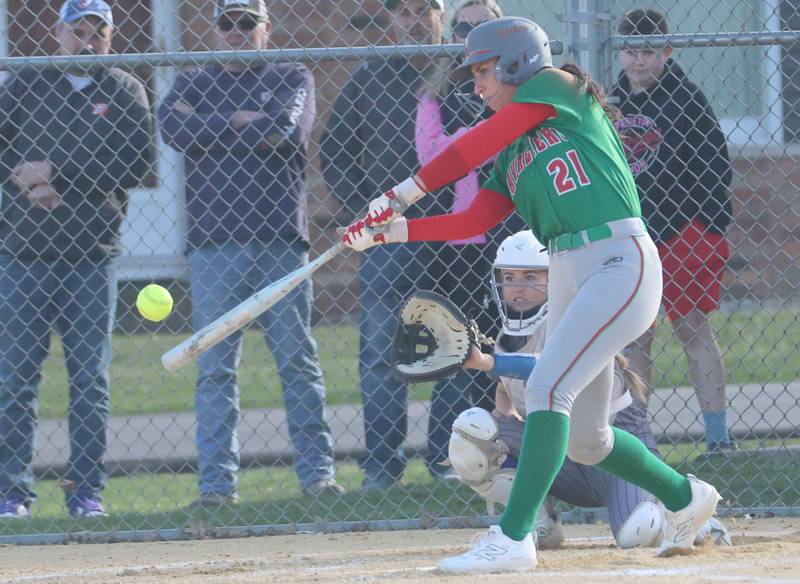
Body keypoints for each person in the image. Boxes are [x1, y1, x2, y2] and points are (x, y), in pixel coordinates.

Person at [341, 16, 722, 573]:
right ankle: (688, 500)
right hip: (568, 264)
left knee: (545, 389)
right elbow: (472, 217)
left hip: (617, 258)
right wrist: (391, 230)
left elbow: (472, 146)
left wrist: (401, 193)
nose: (476, 86)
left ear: (518, 61)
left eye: (484, 72)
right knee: (588, 440)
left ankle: (513, 538)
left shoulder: (557, 87)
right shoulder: (513, 151)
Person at [159, 0, 341, 503]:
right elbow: (172, 129)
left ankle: (317, 477)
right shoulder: (194, 79)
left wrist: (214, 126)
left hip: (280, 241)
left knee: (296, 359)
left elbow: (285, 130)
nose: (236, 31)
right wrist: (241, 119)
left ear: (266, 27)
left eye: (247, 22)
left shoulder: (291, 73)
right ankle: (217, 487)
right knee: (216, 368)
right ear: (214, 29)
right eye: (227, 23)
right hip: (213, 245)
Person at [447, 229, 731, 550]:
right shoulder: (505, 339)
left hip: (615, 461)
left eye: (532, 277)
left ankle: (689, 509)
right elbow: (507, 395)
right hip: (565, 460)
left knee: (637, 533)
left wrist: (487, 362)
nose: (518, 288)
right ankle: (538, 524)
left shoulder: (579, 321)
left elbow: (548, 365)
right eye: (510, 278)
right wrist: (503, 436)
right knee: (473, 434)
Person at [0, 0, 153, 518]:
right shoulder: (25, 83)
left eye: (98, 34)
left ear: (111, 37)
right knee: (16, 377)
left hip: (92, 256)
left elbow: (135, 161)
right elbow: (2, 155)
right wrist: (23, 189)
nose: (87, 42)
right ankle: (11, 491)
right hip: (24, 257)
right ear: (57, 31)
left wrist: (56, 172)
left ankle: (84, 491)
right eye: (78, 32)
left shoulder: (125, 89)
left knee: (89, 379)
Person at [320, 0, 457, 491]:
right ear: (391, 20)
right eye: (404, 12)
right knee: (380, 353)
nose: (415, 20)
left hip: (455, 235)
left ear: (442, 16)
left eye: (426, 10)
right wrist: (366, 209)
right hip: (388, 238)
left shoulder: (462, 70)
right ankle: (382, 467)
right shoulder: (370, 75)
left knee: (459, 349)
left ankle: (448, 459)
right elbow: (335, 150)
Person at [611, 9, 734, 454]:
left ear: (666, 51)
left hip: (684, 232)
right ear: (619, 52)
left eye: (648, 51)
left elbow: (714, 167)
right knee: (636, 336)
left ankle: (718, 439)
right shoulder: (613, 101)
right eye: (630, 51)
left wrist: (700, 222)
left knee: (691, 327)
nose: (639, 61)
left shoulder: (685, 97)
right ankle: (641, 439)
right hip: (635, 236)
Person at [414, 0, 512, 474]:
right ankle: (443, 457)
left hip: (509, 234)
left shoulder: (515, 88)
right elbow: (431, 155)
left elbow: (510, 137)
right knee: (457, 347)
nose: (472, 36)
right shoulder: (437, 89)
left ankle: (502, 446)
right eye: (464, 28)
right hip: (459, 245)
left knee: (507, 345)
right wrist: (479, 136)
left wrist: (473, 138)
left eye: (483, 27)